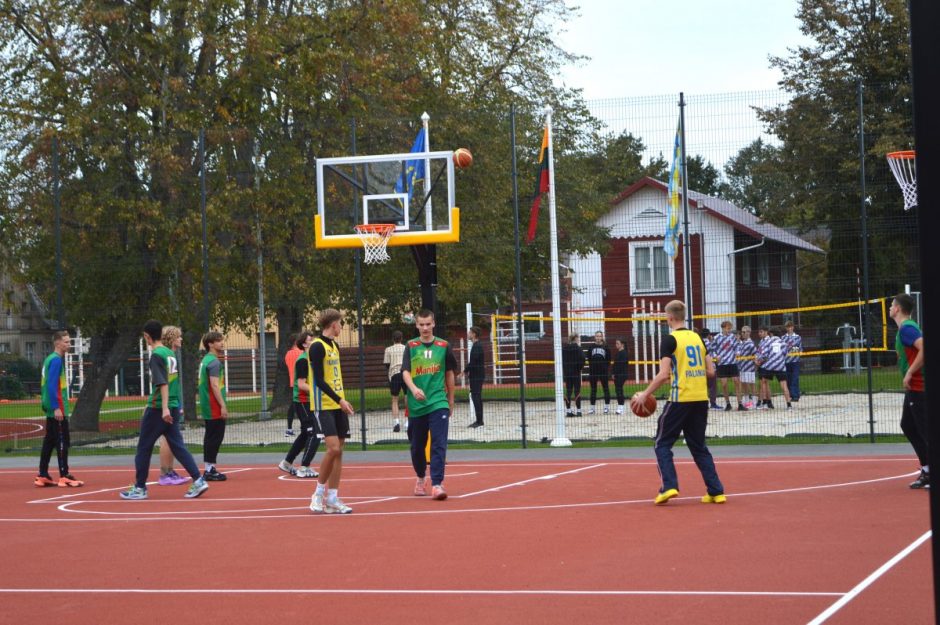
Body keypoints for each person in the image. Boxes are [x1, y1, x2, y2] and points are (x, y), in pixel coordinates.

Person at [631, 300, 725, 505]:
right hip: (700, 398)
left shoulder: (670, 340)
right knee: (698, 445)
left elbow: (663, 374)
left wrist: (644, 395)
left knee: (662, 443)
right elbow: (711, 372)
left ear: (670, 317)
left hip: (680, 398)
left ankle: (669, 486)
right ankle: (716, 491)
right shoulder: (697, 337)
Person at [120, 320, 208, 500]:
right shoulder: (169, 353)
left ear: (147, 336)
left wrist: (164, 408)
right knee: (177, 446)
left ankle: (139, 488)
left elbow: (162, 383)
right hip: (173, 406)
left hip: (160, 408)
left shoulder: (156, 355)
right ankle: (198, 480)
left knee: (143, 448)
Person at [402, 309, 457, 500]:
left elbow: (449, 373)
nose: (425, 328)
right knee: (417, 446)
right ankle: (420, 477)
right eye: (421, 324)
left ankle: (437, 484)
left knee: (439, 443)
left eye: (428, 324)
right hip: (416, 405)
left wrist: (450, 400)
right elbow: (405, 372)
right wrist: (413, 389)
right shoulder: (410, 346)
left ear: (434, 323)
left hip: (438, 401)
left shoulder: (444, 346)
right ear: (416, 325)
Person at [309, 309, 356, 514]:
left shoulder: (335, 346)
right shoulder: (317, 347)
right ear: (333, 324)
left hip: (338, 405)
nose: (341, 327)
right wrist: (339, 399)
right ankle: (318, 493)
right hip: (323, 405)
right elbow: (319, 380)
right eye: (341, 323)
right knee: (333, 449)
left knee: (340, 451)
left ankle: (333, 498)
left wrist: (341, 400)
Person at [35, 330, 83, 487]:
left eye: (69, 341)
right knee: (62, 440)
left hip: (50, 406)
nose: (68, 344)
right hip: (57, 407)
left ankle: (43, 474)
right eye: (66, 342)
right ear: (57, 343)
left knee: (49, 441)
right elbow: (51, 385)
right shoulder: (55, 360)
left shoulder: (50, 359)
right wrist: (57, 407)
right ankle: (64, 474)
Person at [890, 294, 928, 489]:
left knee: (922, 429)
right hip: (913, 386)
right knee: (909, 425)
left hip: (919, 385)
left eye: (891, 305)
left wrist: (910, 372)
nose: (889, 308)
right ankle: (928, 469)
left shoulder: (907, 329)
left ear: (897, 309)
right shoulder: (903, 330)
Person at [278, 331, 320, 478]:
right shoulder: (302, 360)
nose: (314, 341)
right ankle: (304, 467)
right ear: (304, 344)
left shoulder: (311, 359)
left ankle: (287, 462)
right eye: (311, 339)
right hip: (302, 401)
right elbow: (301, 384)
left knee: (305, 433)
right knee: (314, 433)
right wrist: (318, 391)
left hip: (309, 401)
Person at [155, 325, 188, 486]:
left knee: (172, 438)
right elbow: (162, 382)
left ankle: (169, 471)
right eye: (178, 336)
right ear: (171, 338)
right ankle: (164, 473)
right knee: (167, 438)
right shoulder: (164, 356)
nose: (181, 339)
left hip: (174, 400)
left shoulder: (171, 356)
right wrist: (166, 405)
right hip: (167, 402)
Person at [199, 331, 228, 481]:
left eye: (221, 340)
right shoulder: (214, 362)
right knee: (215, 436)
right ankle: (209, 469)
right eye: (218, 341)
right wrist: (223, 405)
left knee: (211, 436)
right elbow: (215, 386)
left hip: (208, 403)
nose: (221, 343)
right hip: (213, 405)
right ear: (210, 344)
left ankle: (209, 467)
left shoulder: (206, 360)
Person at [755, 326, 792, 410]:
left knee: (764, 382)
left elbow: (764, 355)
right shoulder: (783, 342)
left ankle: (764, 402)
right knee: (784, 385)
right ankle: (789, 405)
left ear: (771, 334)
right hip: (780, 366)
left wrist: (759, 361)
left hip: (770, 366)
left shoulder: (768, 342)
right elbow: (785, 354)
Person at [713, 321, 743, 411]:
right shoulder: (717, 337)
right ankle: (728, 403)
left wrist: (738, 352)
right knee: (724, 384)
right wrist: (715, 356)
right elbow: (712, 349)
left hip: (732, 362)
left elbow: (737, 346)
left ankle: (740, 404)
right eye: (728, 328)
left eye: (730, 328)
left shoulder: (732, 337)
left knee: (736, 382)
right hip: (722, 364)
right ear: (723, 328)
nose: (729, 330)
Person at [384, 330, 406, 432]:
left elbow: (387, 364)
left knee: (394, 399)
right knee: (408, 397)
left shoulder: (388, 349)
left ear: (393, 339)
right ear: (401, 338)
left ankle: (396, 422)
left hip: (394, 374)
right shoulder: (406, 348)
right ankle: (408, 421)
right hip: (405, 374)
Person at [465, 326, 485, 428]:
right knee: (476, 397)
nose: (468, 334)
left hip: (477, 376)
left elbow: (473, 362)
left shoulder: (477, 346)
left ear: (474, 334)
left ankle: (479, 421)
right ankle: (479, 420)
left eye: (470, 332)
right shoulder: (476, 345)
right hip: (476, 375)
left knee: (476, 397)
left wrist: (464, 371)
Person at [587, 331, 611, 414]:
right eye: (596, 336)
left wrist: (604, 367)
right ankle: (592, 408)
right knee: (593, 390)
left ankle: (606, 407)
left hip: (603, 371)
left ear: (602, 337)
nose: (598, 338)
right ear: (595, 337)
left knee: (606, 389)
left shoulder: (606, 347)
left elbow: (609, 359)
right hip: (593, 371)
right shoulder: (591, 347)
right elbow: (589, 358)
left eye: (599, 336)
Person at [562, 333, 586, 417]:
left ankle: (568, 411)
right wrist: (579, 368)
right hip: (576, 373)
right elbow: (583, 359)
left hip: (567, 373)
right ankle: (579, 411)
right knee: (577, 391)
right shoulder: (578, 349)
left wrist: (565, 369)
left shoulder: (564, 349)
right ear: (575, 339)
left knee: (568, 391)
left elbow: (561, 360)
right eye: (578, 339)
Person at [284, 333, 302, 437]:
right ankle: (305, 427)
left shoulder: (287, 354)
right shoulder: (301, 353)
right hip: (301, 382)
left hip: (292, 383)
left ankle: (289, 429)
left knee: (293, 406)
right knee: (302, 405)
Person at [699, 328, 721, 410]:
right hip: (710, 367)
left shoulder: (700, 342)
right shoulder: (708, 343)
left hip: (701, 367)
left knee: (703, 386)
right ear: (708, 335)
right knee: (712, 386)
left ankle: (702, 403)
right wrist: (717, 357)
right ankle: (713, 403)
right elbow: (712, 354)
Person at [736, 326, 757, 408]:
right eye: (742, 332)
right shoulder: (743, 342)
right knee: (744, 384)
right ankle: (747, 400)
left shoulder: (751, 343)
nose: (743, 333)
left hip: (749, 367)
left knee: (751, 385)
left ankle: (754, 402)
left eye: (744, 332)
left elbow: (755, 355)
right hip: (742, 367)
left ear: (749, 332)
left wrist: (755, 366)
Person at [782, 320, 802, 402]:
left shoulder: (797, 337)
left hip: (795, 361)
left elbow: (799, 348)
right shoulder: (783, 338)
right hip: (786, 361)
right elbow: (783, 348)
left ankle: (795, 396)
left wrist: (792, 349)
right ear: (786, 328)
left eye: (790, 327)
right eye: (787, 327)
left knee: (795, 378)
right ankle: (791, 394)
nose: (789, 328)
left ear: (793, 327)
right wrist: (790, 349)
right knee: (788, 379)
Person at [612, 338, 630, 415]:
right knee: (618, 390)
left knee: (619, 390)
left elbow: (620, 365)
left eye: (617, 343)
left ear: (622, 344)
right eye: (616, 343)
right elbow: (615, 365)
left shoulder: (624, 353)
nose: (616, 345)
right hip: (617, 374)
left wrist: (615, 373)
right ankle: (620, 406)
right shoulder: (618, 353)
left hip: (621, 374)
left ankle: (621, 407)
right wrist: (613, 373)